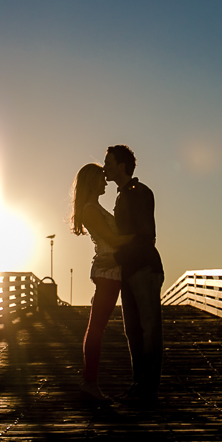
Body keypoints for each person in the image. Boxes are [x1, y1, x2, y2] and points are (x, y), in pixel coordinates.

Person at [103, 144, 165, 402]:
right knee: (133, 330)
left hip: (144, 268)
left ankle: (148, 387)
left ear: (121, 166)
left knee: (149, 329)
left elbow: (144, 236)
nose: (104, 167)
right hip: (129, 270)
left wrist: (116, 257)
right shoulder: (122, 195)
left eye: (108, 162)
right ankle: (139, 384)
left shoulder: (139, 193)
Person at [70, 162, 133, 401]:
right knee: (96, 328)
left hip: (111, 269)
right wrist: (141, 237)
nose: (105, 181)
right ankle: (89, 382)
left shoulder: (94, 207)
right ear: (91, 182)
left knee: (96, 327)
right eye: (100, 178)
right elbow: (112, 240)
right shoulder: (90, 209)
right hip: (107, 272)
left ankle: (89, 382)